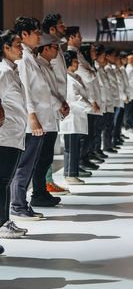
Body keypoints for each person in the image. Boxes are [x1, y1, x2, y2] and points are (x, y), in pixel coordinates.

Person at [11, 17, 53, 220]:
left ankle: (21, 203)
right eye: (36, 32)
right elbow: (25, 91)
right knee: (24, 165)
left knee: (30, 164)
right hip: (31, 123)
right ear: (24, 34)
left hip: (39, 120)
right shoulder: (23, 59)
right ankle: (17, 205)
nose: (39, 37)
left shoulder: (30, 57)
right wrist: (32, 117)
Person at [33, 34, 69, 207]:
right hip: (43, 117)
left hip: (51, 116)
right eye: (54, 47)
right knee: (40, 160)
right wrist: (59, 104)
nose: (57, 50)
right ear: (45, 48)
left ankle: (41, 192)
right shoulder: (38, 65)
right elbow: (44, 92)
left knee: (46, 158)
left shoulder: (47, 65)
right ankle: (37, 194)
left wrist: (61, 104)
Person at [0, 31, 29, 244]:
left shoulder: (12, 70)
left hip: (14, 134)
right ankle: (2, 223)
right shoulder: (3, 72)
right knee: (2, 182)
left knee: (5, 181)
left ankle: (5, 220)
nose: (22, 48)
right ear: (5, 48)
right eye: (18, 44)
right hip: (5, 135)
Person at [42, 13, 70, 195]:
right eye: (60, 25)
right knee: (43, 151)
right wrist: (58, 101)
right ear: (51, 29)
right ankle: (45, 182)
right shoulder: (47, 50)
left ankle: (48, 181)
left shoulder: (57, 48)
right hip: (49, 104)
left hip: (58, 101)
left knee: (49, 149)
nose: (64, 28)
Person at [60, 50, 93, 185]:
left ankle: (72, 173)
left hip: (77, 117)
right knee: (71, 148)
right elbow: (75, 98)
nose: (77, 63)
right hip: (71, 118)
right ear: (68, 64)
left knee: (74, 147)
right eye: (75, 61)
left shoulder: (75, 77)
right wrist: (89, 106)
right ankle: (69, 174)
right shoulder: (68, 79)